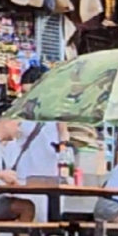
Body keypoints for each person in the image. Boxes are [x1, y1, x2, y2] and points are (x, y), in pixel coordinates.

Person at [8, 65, 70, 223]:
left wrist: (65, 168)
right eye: (24, 93)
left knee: (48, 220)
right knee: (25, 220)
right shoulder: (17, 111)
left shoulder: (56, 111)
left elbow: (64, 137)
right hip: (23, 175)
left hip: (49, 175)